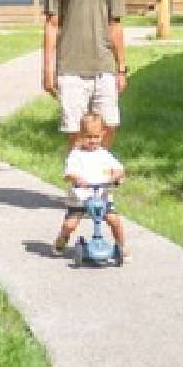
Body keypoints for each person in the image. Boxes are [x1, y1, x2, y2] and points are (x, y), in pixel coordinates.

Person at [41, 0, 128, 144]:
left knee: (109, 124)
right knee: (75, 130)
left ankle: (99, 175)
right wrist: (48, 70)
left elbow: (115, 26)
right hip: (70, 68)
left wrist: (121, 68)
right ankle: (78, 178)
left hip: (104, 67)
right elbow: (51, 25)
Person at [52, 111, 128, 261]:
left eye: (96, 137)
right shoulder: (76, 154)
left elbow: (119, 168)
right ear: (81, 135)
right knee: (70, 225)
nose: (93, 140)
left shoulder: (104, 154)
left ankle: (122, 246)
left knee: (114, 221)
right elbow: (68, 173)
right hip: (80, 198)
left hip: (102, 197)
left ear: (102, 134)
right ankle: (61, 240)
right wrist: (77, 178)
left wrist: (117, 176)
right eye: (88, 137)